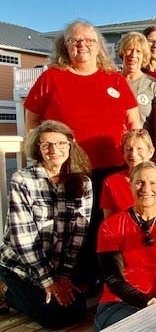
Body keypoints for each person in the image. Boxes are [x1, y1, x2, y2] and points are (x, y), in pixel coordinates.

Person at [24, 20, 140, 287]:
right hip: (68, 168)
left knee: (108, 223)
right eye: (75, 40)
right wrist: (39, 154)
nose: (82, 45)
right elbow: (31, 120)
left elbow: (134, 123)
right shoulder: (51, 77)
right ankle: (78, 280)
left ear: (98, 45)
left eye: (88, 40)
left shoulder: (115, 79)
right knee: (76, 227)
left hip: (111, 165)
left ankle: (112, 277)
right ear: (65, 46)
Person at [0, 120, 92, 328]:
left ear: (70, 145)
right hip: (21, 266)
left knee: (78, 310)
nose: (54, 149)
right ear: (38, 149)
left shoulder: (82, 182)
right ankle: (5, 288)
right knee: (53, 319)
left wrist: (65, 276)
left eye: (60, 143)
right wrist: (49, 281)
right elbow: (23, 239)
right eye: (46, 144)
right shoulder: (22, 180)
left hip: (58, 266)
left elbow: (79, 234)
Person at [94, 162, 156, 330]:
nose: (146, 188)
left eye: (153, 183)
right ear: (130, 184)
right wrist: (146, 302)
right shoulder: (111, 226)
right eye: (139, 182)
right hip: (119, 303)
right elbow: (113, 278)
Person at [100, 129, 156, 217]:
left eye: (140, 149)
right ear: (123, 153)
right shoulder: (112, 182)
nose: (133, 154)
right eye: (129, 149)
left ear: (150, 152)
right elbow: (108, 221)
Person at [117, 32, 156, 131]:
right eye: (129, 49)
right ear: (122, 52)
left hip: (140, 144)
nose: (133, 55)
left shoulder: (153, 85)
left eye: (138, 51)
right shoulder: (111, 81)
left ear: (144, 56)